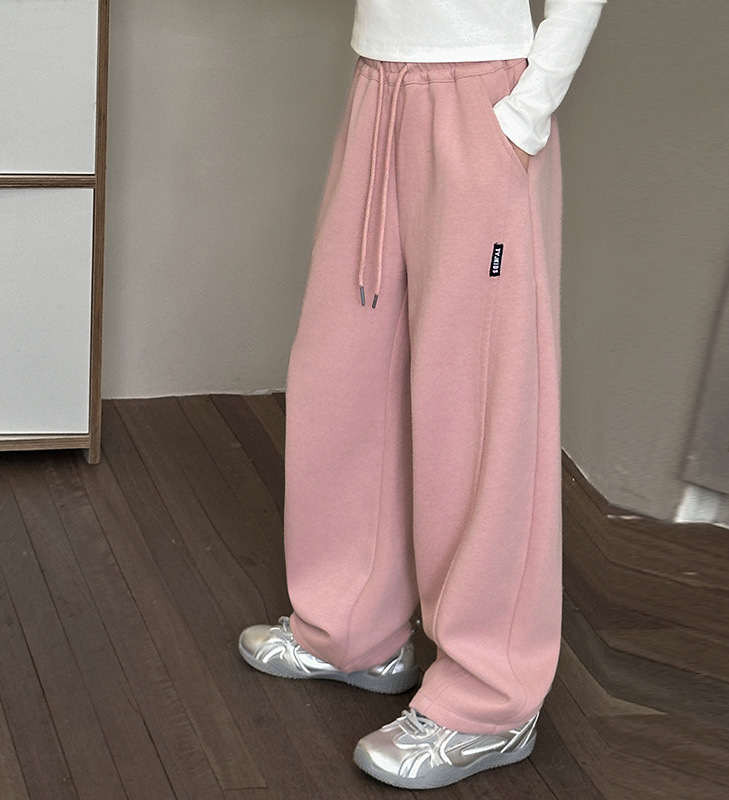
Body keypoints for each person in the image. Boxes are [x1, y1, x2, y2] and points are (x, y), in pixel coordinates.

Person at [239, 0, 607, 790]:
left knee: (476, 399)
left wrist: (530, 107)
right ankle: (351, 628)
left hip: (486, 103)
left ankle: (489, 701)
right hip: (379, 83)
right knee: (345, 369)